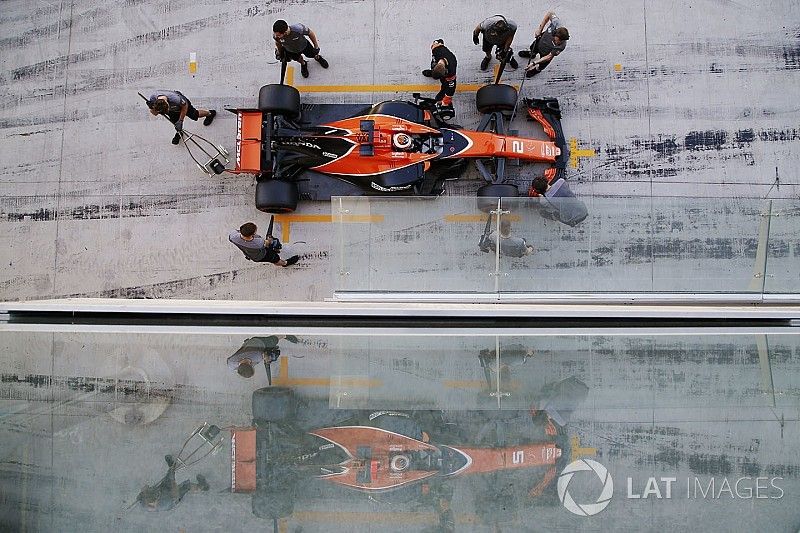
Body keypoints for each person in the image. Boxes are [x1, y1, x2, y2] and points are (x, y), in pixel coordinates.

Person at [136, 455, 209, 511]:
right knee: (187, 486)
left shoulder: (143, 499)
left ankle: (172, 467)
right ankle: (203, 486)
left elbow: (145, 489)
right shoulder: (165, 501)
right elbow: (174, 490)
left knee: (169, 476)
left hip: (162, 490)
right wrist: (173, 483)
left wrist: (145, 490)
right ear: (155, 500)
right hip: (173, 497)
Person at [147, 90, 216, 145]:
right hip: (172, 110)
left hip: (183, 105)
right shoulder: (153, 99)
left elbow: (185, 107)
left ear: (167, 103)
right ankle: (179, 132)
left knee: (195, 115)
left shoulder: (176, 98)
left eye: (167, 110)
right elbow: (155, 114)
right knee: (175, 122)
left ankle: (210, 113)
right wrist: (151, 108)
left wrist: (181, 120)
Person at [519, 11, 570, 78]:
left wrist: (534, 63)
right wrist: (540, 29)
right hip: (540, 42)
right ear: (554, 34)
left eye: (560, 41)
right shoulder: (557, 23)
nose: (557, 43)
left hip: (545, 54)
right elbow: (550, 13)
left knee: (541, 66)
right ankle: (532, 54)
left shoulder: (562, 46)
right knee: (532, 48)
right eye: (557, 40)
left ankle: (536, 70)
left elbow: (549, 56)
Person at [227, 335, 300, 378]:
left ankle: (284, 335)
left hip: (260, 342)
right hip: (248, 344)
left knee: (274, 339)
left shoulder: (257, 356)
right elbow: (230, 362)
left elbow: (265, 356)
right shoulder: (231, 363)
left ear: (250, 364)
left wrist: (267, 358)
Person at [229, 222, 299, 266]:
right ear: (253, 234)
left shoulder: (233, 236)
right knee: (275, 259)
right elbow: (267, 243)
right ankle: (285, 263)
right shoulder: (258, 243)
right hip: (261, 255)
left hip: (248, 253)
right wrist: (269, 239)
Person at [422, 39, 457, 118]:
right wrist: (437, 42)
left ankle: (443, 90)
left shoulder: (451, 69)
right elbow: (437, 42)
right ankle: (432, 73)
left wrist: (446, 101)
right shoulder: (436, 49)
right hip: (437, 67)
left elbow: (452, 87)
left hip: (446, 73)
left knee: (445, 84)